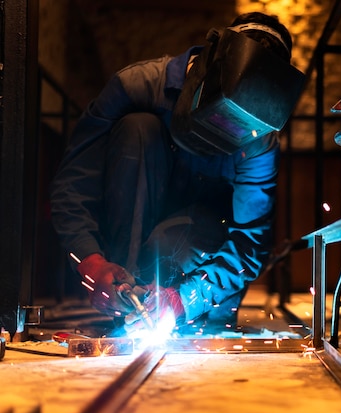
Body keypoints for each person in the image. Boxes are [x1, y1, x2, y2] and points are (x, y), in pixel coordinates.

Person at [50, 12, 303, 334]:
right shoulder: (135, 87)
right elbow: (73, 185)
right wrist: (90, 260)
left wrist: (187, 299)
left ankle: (174, 305)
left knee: (176, 258)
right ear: (205, 70)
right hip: (133, 233)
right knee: (137, 128)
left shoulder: (260, 138)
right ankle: (126, 298)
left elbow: (250, 240)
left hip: (200, 253)